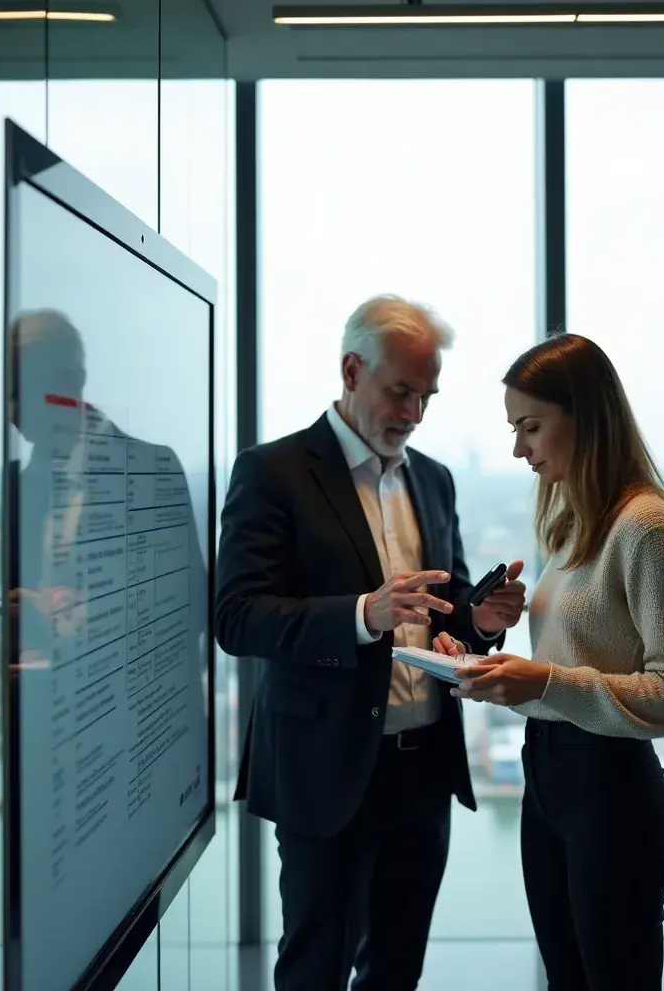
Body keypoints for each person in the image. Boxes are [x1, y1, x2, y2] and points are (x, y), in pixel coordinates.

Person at [214, 295, 526, 991]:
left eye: (427, 396)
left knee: (395, 969)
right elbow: (237, 618)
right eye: (401, 391)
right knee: (315, 969)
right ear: (352, 371)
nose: (414, 412)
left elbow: (447, 612)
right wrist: (362, 614)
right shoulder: (273, 472)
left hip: (424, 770)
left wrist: (485, 619)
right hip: (325, 772)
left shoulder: (435, 480)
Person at [434, 332, 664, 991]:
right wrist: (492, 671)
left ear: (583, 417)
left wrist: (545, 679)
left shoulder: (646, 529)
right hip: (550, 782)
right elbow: (570, 670)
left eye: (530, 427)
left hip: (611, 794)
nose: (517, 449)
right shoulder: (577, 522)